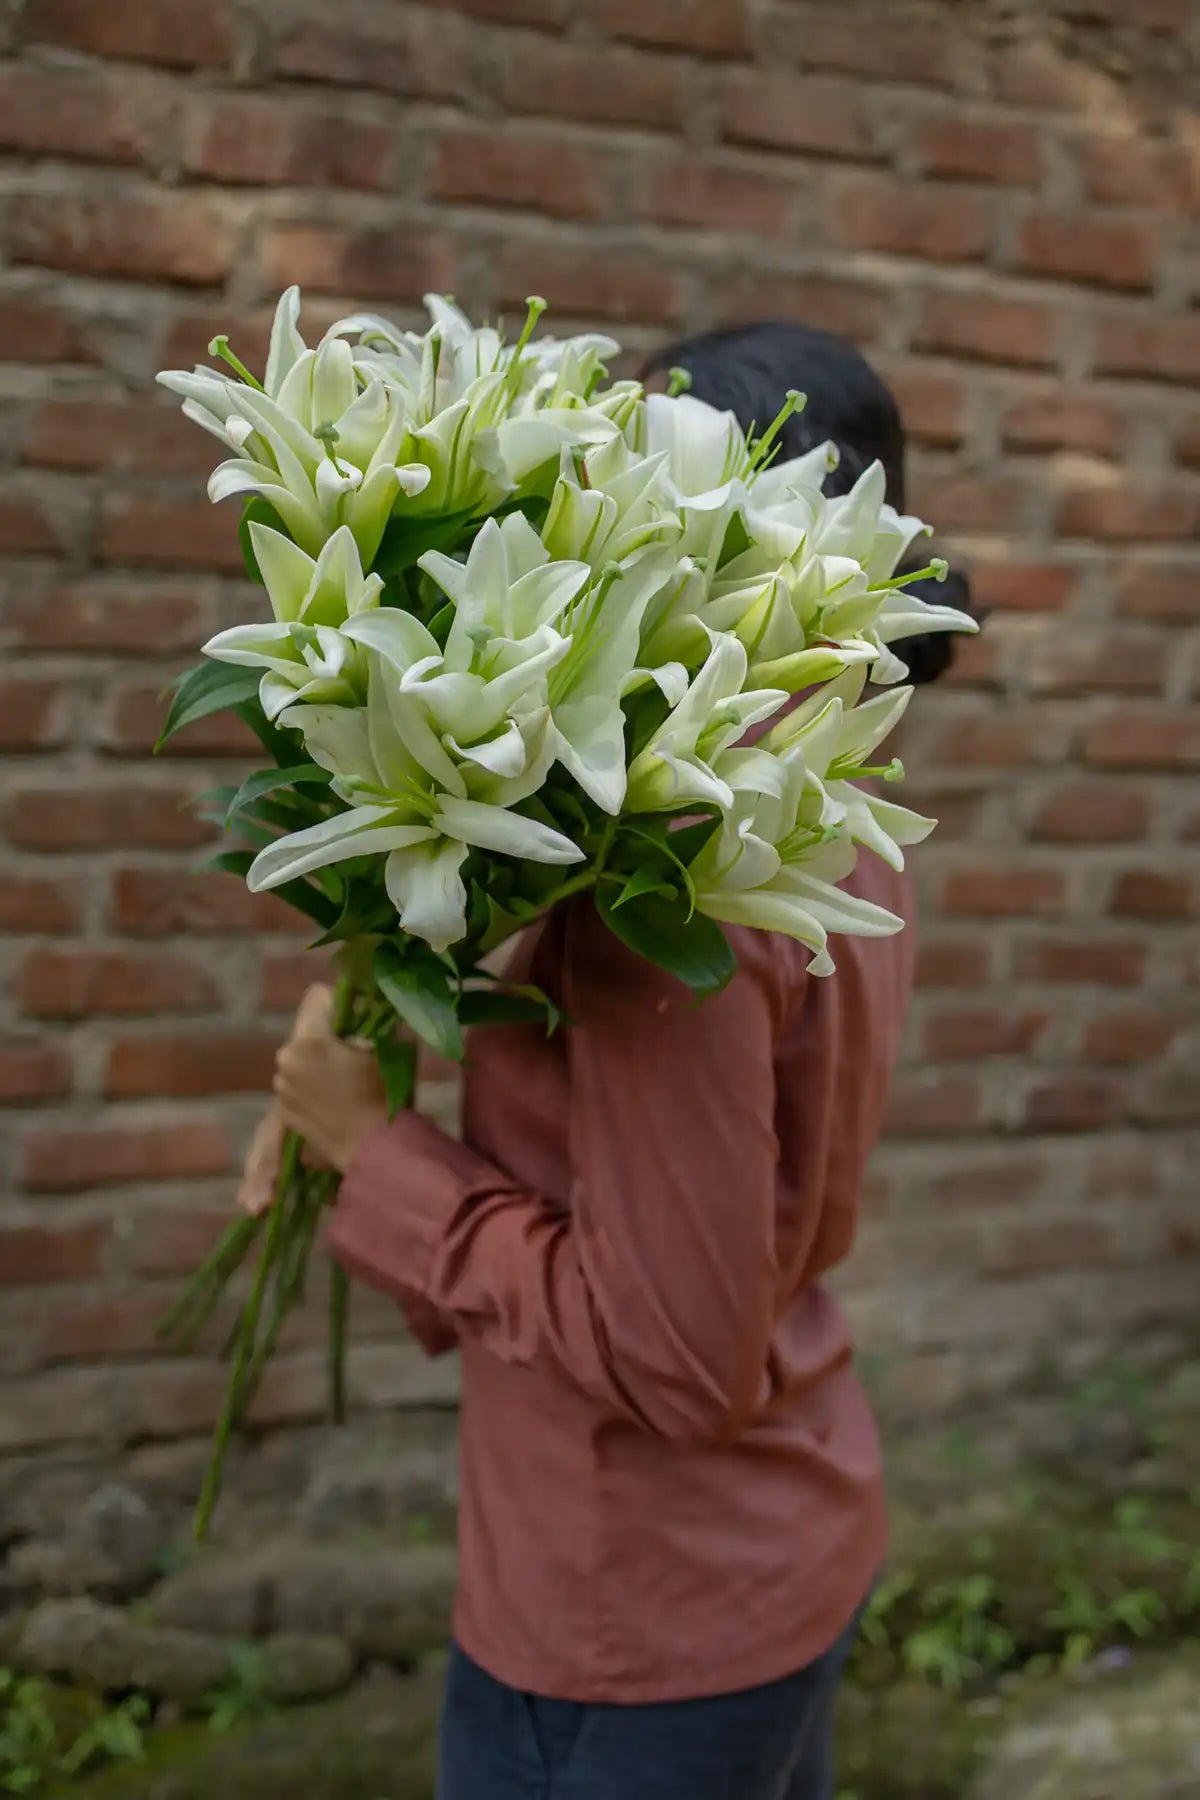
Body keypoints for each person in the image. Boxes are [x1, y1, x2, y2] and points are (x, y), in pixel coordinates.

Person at [244, 322, 975, 1800]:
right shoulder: (834, 793)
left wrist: (374, 1156)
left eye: (640, 493)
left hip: (638, 1614)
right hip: (767, 1549)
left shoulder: (680, 871)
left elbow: (677, 1354)